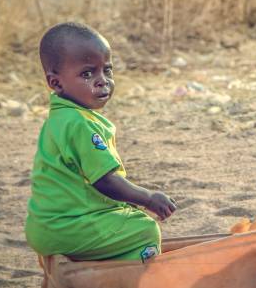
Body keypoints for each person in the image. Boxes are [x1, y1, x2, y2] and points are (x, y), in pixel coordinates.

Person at [25, 22, 177, 262]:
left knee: (125, 216)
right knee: (144, 230)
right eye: (87, 73)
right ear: (56, 83)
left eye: (107, 70)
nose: (102, 80)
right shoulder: (81, 124)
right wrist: (148, 198)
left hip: (48, 225)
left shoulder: (62, 117)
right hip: (68, 227)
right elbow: (105, 181)